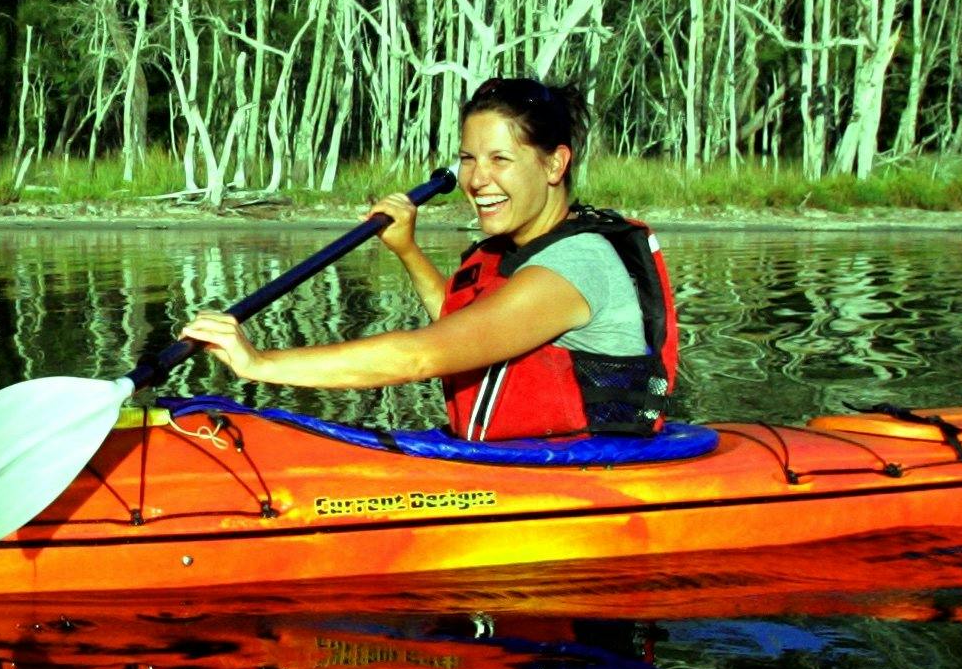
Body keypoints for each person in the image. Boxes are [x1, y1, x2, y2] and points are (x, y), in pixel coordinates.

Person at [180, 77, 679, 440]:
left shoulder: (574, 267)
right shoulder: (516, 249)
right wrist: (407, 250)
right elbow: (468, 329)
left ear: (554, 163)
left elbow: (425, 354)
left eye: (500, 159)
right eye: (468, 158)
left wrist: (259, 362)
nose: (477, 180)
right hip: (522, 457)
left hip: (585, 472)